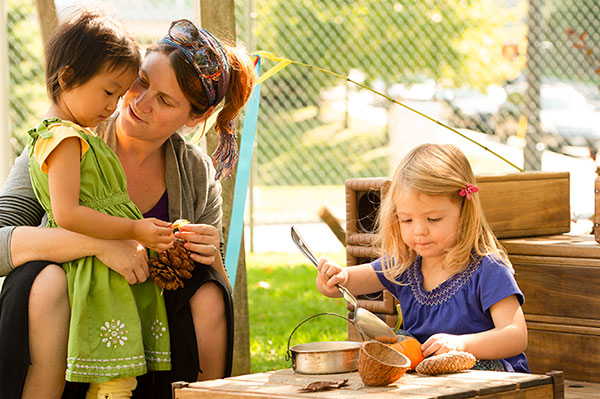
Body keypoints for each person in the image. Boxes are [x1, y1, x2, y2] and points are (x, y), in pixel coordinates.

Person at [0, 15, 256, 399]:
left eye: (165, 100)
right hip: (68, 324)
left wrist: (211, 259)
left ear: (194, 117)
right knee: (44, 279)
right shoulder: (64, 142)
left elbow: (216, 284)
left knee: (208, 291)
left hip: (149, 331)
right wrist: (99, 245)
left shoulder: (196, 174)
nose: (138, 102)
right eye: (142, 81)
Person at [26, 9, 174, 398]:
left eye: (119, 94)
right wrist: (135, 228)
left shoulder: (80, 134)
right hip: (92, 273)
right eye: (108, 92)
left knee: (118, 372)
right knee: (115, 376)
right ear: (67, 77)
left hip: (106, 271)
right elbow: (68, 213)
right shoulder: (64, 139)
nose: (113, 106)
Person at [315, 143, 530, 373]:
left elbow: (515, 336)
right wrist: (335, 279)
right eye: (407, 220)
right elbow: (349, 282)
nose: (419, 231)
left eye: (433, 219)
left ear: (464, 212)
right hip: (427, 379)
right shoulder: (406, 264)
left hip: (485, 376)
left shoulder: (487, 269)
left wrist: (461, 345)